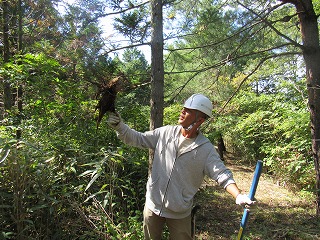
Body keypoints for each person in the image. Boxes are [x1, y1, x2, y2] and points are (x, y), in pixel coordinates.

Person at [107, 93, 254, 240]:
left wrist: (238, 195)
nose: (182, 111)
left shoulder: (205, 149)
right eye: (184, 108)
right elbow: (139, 139)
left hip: (180, 212)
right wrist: (120, 126)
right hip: (153, 205)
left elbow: (222, 174)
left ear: (200, 120)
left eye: (189, 110)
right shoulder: (166, 133)